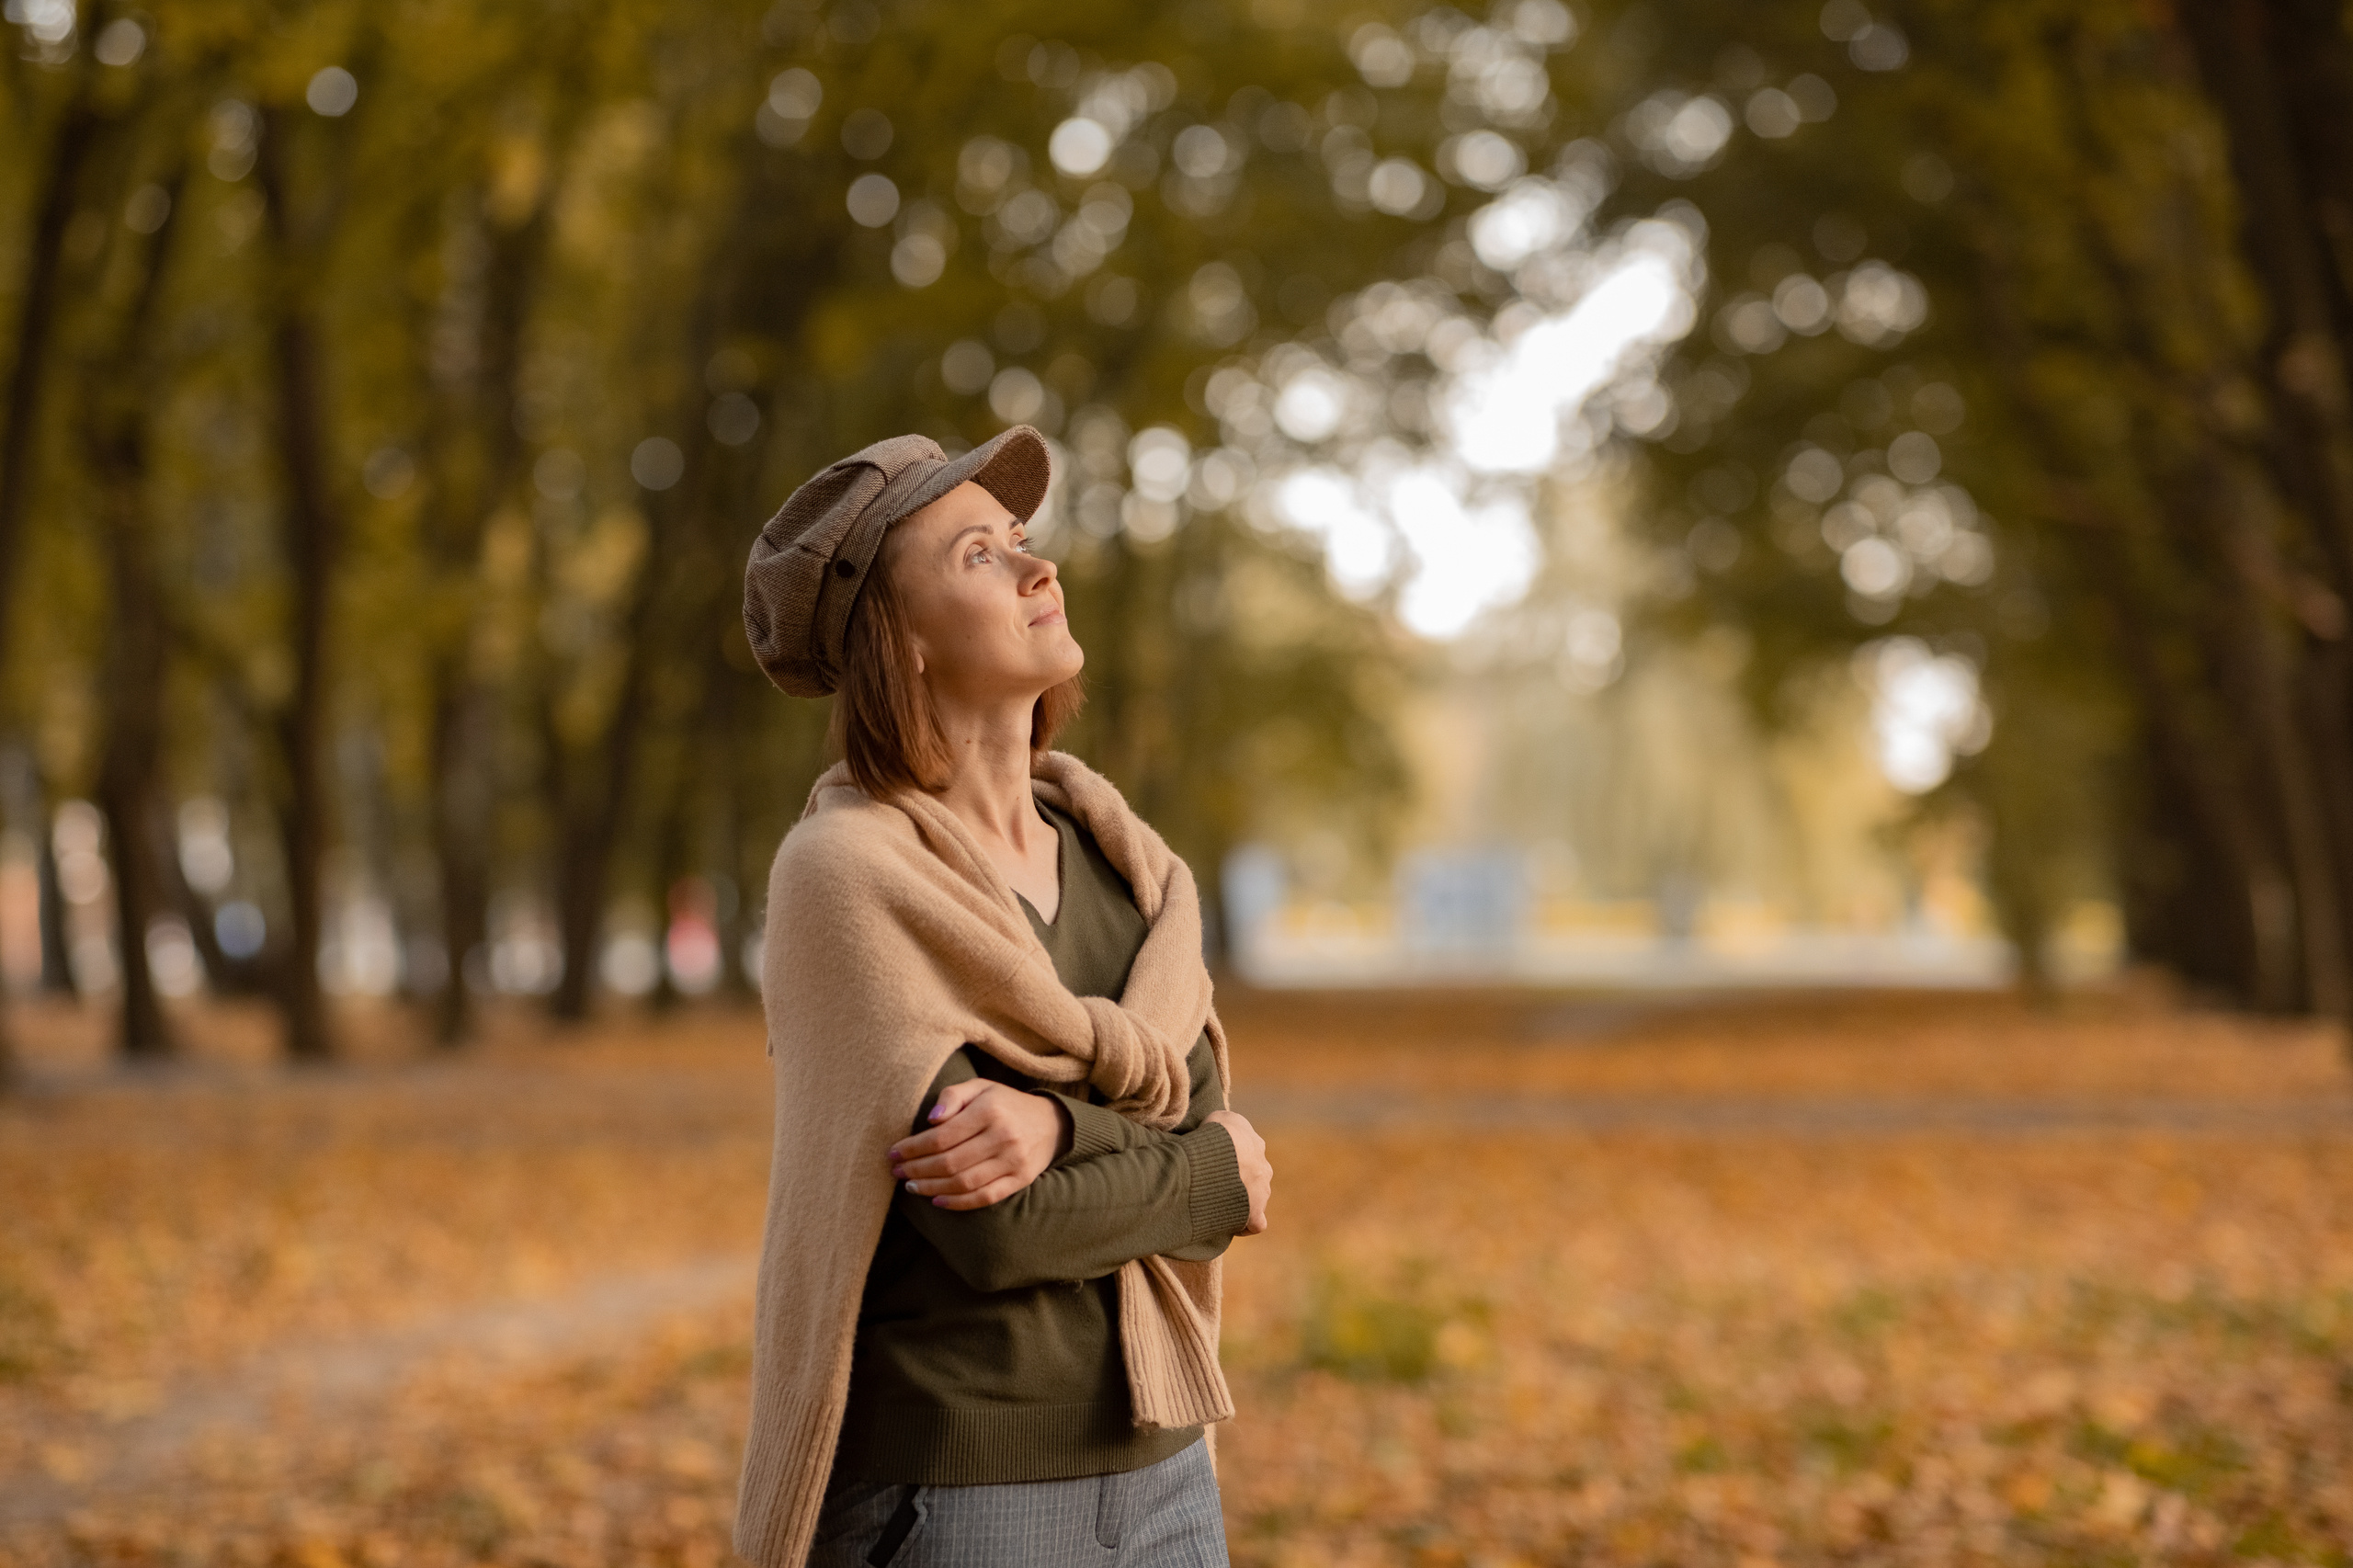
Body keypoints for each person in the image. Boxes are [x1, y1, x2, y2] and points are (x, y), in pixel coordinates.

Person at [732, 425, 1276, 1568]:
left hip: (1168, 1463)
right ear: (903, 642)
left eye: (1023, 539)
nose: (1039, 568)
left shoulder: (1130, 859)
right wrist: (1206, 1173)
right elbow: (1001, 1225)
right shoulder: (851, 874)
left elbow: (1195, 1101)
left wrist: (1054, 1122)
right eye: (979, 553)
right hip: (962, 1491)